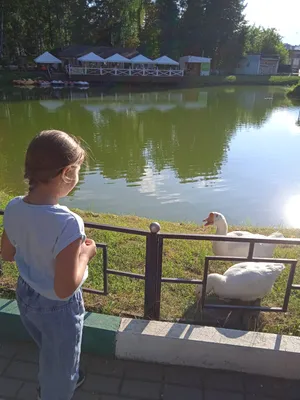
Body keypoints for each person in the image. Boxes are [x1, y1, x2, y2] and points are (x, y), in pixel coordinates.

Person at [1, 130, 97, 400]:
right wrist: (86, 255)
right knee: (61, 367)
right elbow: (65, 287)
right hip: (58, 308)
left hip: (26, 296)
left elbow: (7, 253)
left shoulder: (13, 206)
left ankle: (54, 380)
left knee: (48, 349)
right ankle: (55, 390)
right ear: (66, 172)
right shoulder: (68, 222)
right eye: (77, 170)